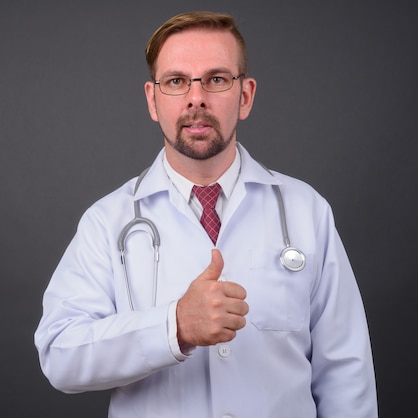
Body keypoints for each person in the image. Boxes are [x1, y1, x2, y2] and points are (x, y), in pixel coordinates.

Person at [34, 11, 377, 418]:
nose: (196, 98)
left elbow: (346, 375)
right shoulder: (107, 222)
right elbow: (60, 355)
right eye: (176, 81)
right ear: (152, 99)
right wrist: (173, 327)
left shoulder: (307, 212)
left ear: (245, 96)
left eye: (216, 79)